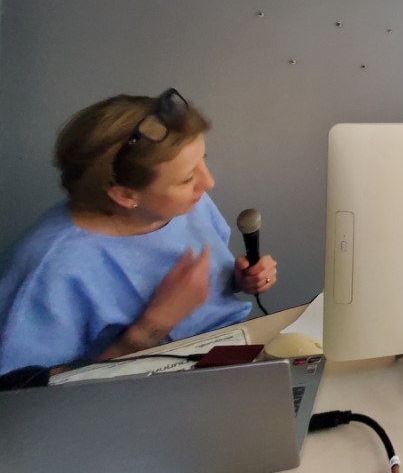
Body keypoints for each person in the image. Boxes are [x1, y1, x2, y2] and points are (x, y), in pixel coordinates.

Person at [0, 88, 278, 375]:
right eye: (187, 178)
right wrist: (150, 328)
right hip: (143, 386)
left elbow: (208, 288)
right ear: (125, 195)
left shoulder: (189, 203)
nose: (208, 183)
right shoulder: (50, 268)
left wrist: (241, 279)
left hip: (234, 348)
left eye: (202, 159)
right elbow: (26, 394)